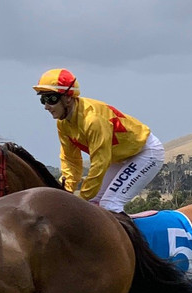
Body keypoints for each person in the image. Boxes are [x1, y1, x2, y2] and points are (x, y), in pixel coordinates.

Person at [34, 69, 165, 213]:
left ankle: (135, 235)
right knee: (92, 205)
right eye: (43, 99)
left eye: (51, 99)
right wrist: (64, 191)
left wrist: (80, 201)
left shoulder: (93, 120)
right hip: (117, 158)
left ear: (68, 98)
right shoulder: (63, 123)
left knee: (109, 205)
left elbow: (99, 164)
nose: (46, 106)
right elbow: (71, 161)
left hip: (145, 153)